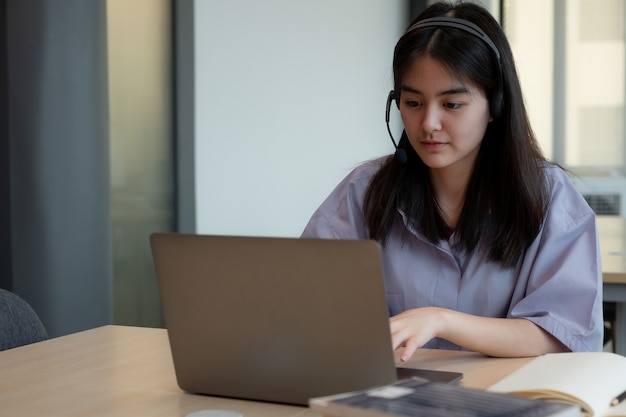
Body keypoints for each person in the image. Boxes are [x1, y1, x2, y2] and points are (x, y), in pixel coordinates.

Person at [301, 1, 603, 359]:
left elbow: (559, 335)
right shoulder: (363, 192)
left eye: (452, 105)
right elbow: (307, 304)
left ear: (496, 105)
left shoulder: (549, 198)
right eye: (413, 103)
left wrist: (440, 321)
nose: (429, 123)